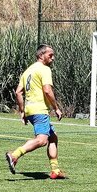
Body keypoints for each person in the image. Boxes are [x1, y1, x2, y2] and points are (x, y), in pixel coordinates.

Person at [5, 44, 67, 180]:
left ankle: (55, 170)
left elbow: (18, 92)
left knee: (53, 137)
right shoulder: (44, 69)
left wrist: (22, 111)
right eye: (50, 55)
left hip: (30, 109)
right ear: (41, 55)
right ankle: (14, 155)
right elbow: (47, 90)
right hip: (40, 110)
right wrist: (56, 108)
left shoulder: (28, 70)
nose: (53, 58)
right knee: (42, 140)